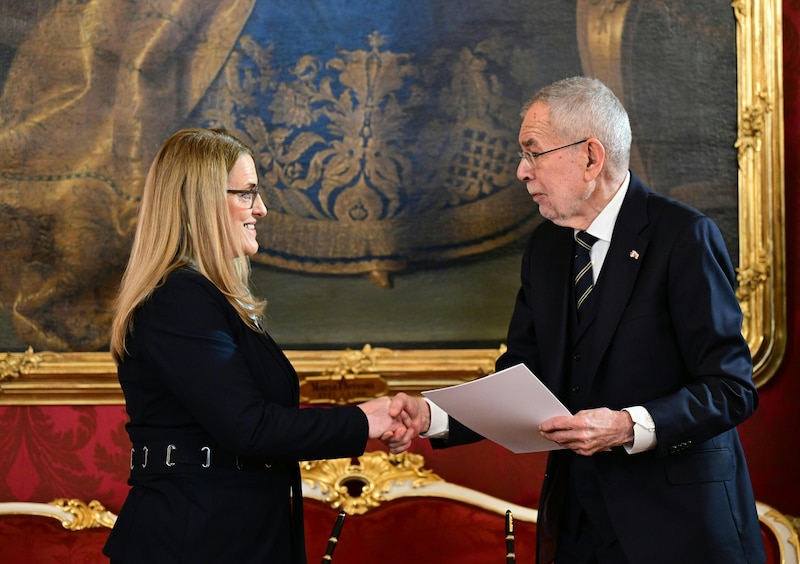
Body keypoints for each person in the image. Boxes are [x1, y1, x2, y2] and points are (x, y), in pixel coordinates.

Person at [388, 77, 765, 564]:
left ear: (591, 157)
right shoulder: (545, 250)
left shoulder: (684, 237)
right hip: (577, 529)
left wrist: (627, 426)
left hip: (681, 529)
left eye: (533, 152)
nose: (522, 172)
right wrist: (432, 416)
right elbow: (521, 380)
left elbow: (732, 388)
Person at [103, 128, 410, 563]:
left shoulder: (207, 297)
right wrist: (363, 420)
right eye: (247, 194)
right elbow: (249, 427)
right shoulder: (179, 298)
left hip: (229, 535)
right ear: (201, 201)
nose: (261, 209)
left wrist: (367, 418)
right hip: (194, 542)